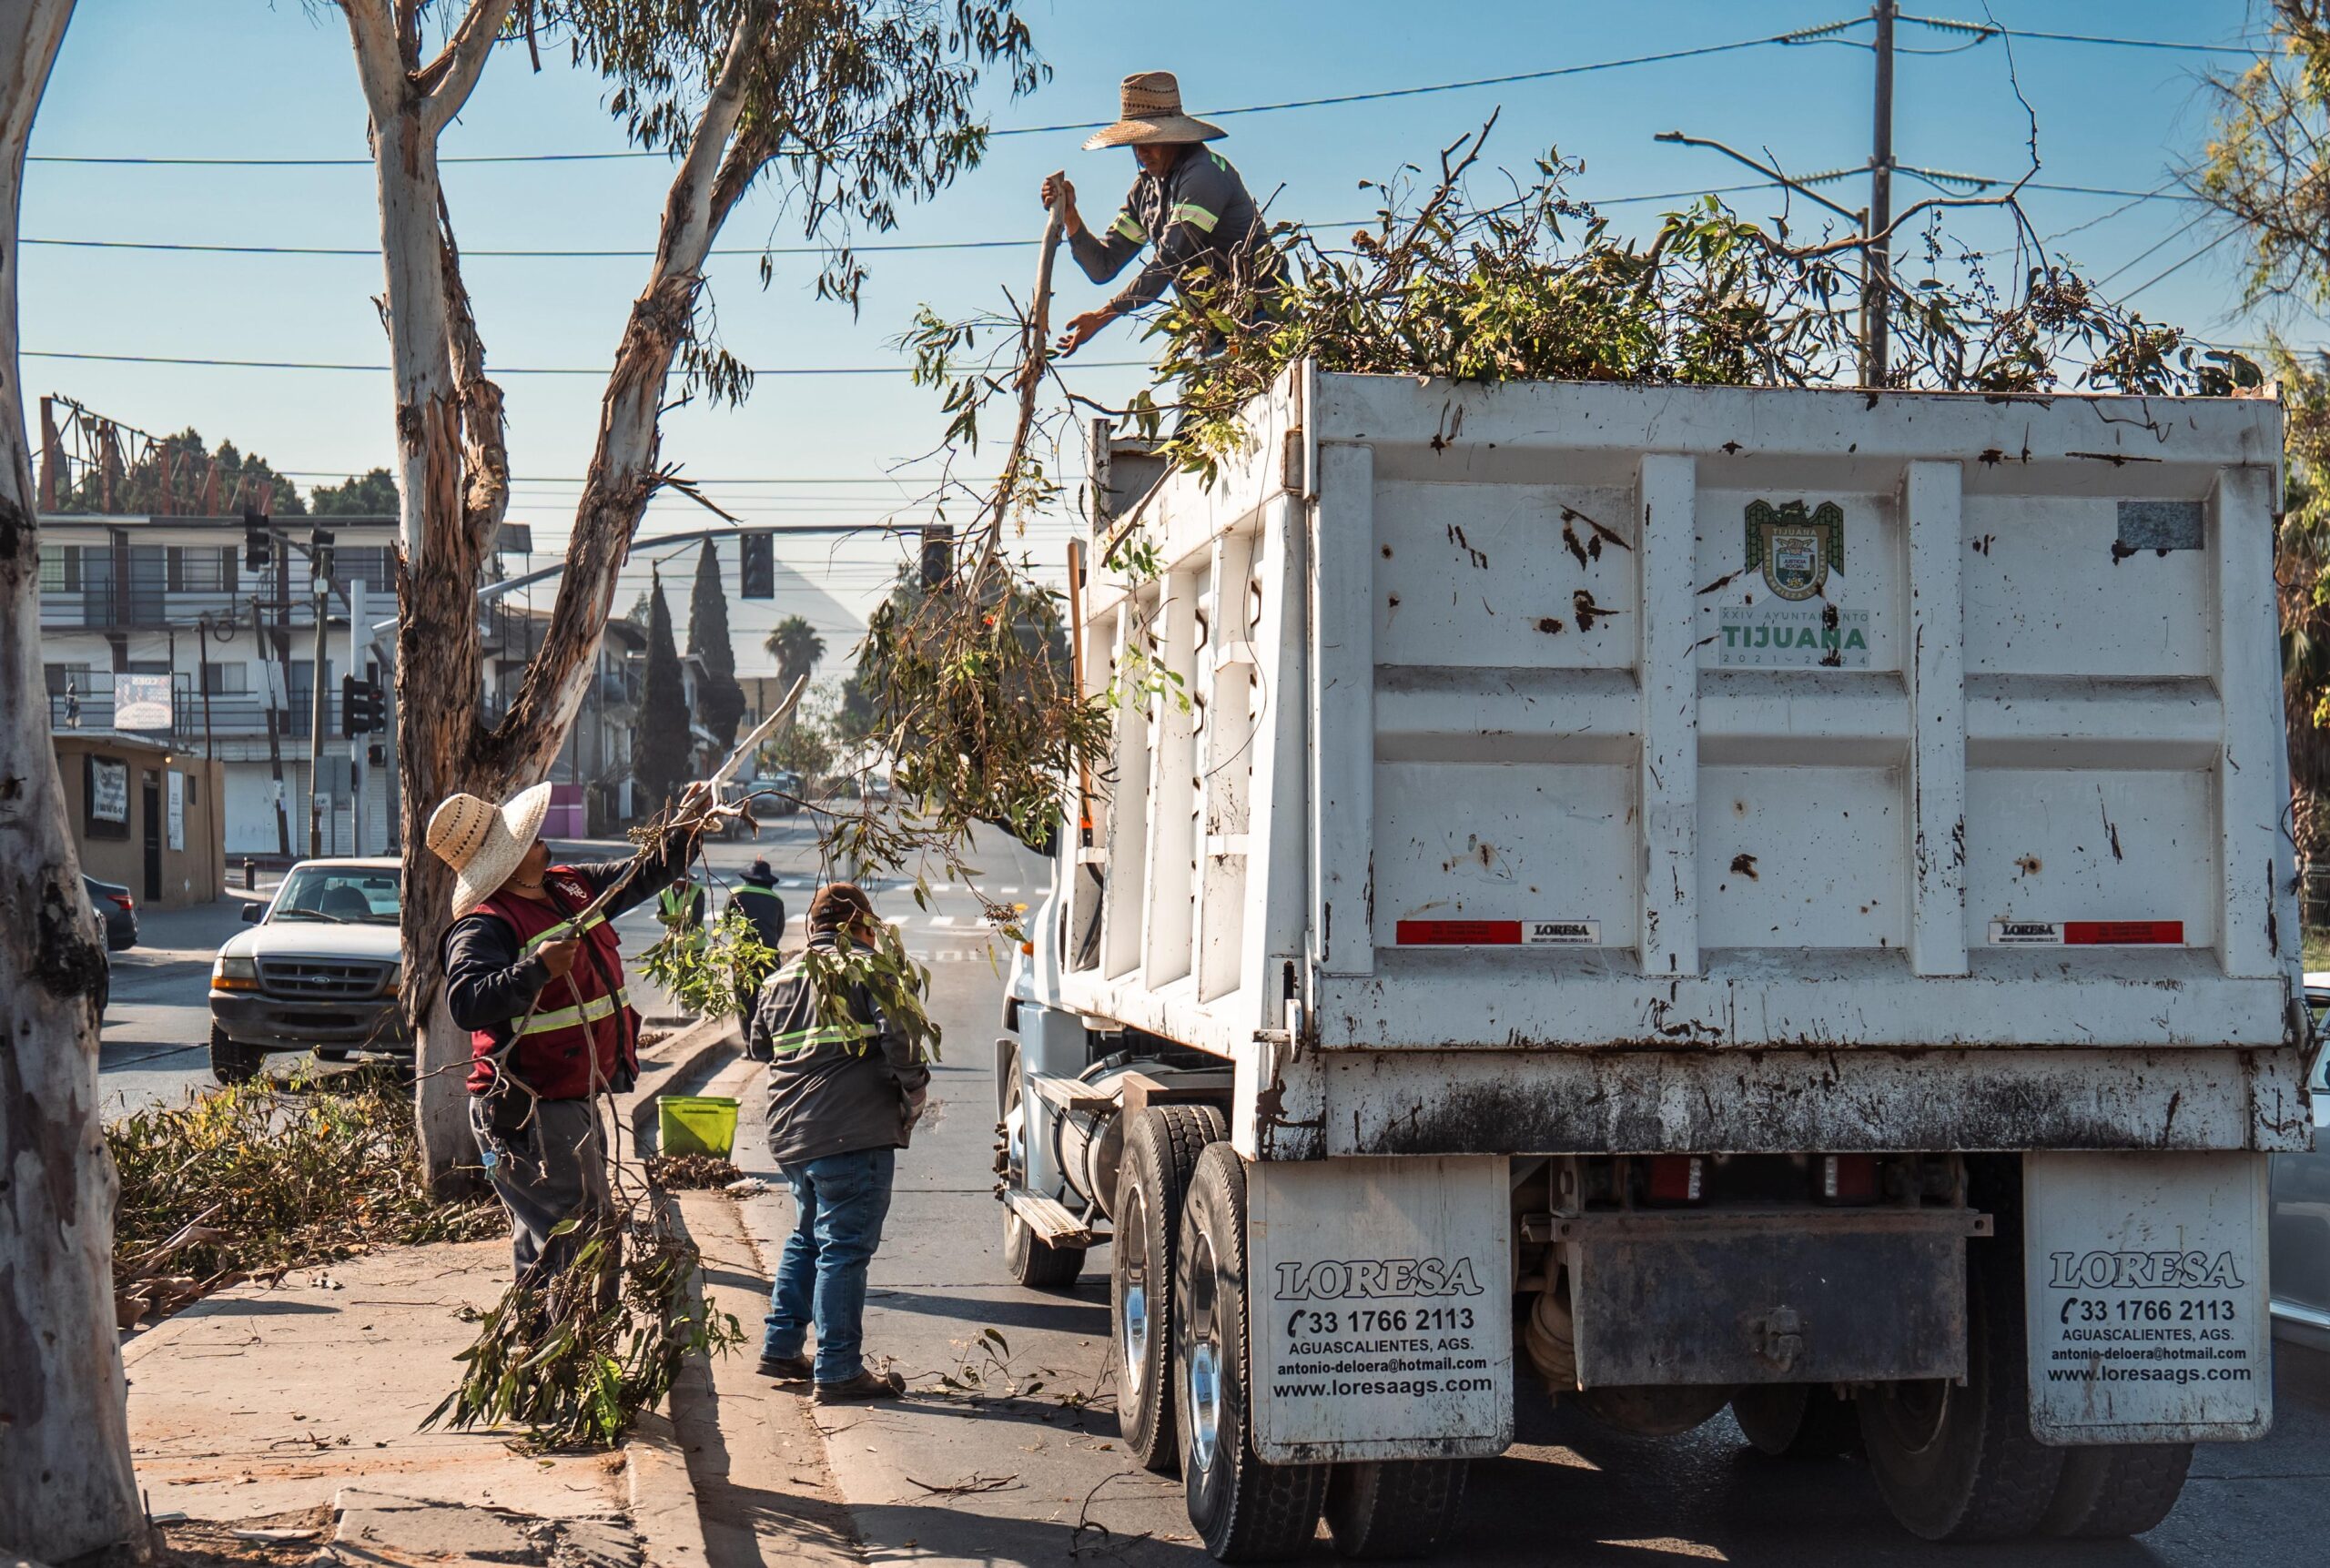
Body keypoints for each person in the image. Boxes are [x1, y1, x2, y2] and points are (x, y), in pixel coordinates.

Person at [431, 780, 706, 1283]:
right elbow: (467, 1002)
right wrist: (535, 969)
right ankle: (573, 1351)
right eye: (527, 839)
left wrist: (686, 828)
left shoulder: (568, 886)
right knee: (583, 1233)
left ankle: (540, 1345)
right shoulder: (485, 926)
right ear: (506, 864)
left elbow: (638, 876)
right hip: (529, 1109)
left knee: (552, 1238)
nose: (541, 839)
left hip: (568, 1100)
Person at [746, 883, 929, 1403]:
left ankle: (781, 1346)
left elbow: (760, 1044)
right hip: (850, 1133)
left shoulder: (781, 975)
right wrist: (914, 1090)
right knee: (844, 1249)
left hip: (792, 1136)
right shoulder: (870, 968)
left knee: (808, 1236)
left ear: (813, 927)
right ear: (860, 926)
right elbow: (900, 1039)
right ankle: (838, 1369)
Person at [1043, 70, 1280, 359]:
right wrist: (1070, 216)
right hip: (1212, 333)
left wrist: (1104, 315)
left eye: (1150, 140)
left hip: (1262, 320)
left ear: (1174, 137)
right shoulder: (1145, 191)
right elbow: (1103, 266)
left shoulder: (1203, 174)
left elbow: (1170, 259)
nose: (1141, 152)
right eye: (1135, 142)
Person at [727, 858, 788, 1015]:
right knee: (768, 1002)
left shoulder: (735, 895)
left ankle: (749, 1039)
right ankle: (766, 1037)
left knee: (745, 1004)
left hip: (743, 958)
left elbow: (727, 922)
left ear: (748, 879)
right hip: (769, 958)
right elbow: (778, 931)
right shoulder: (776, 900)